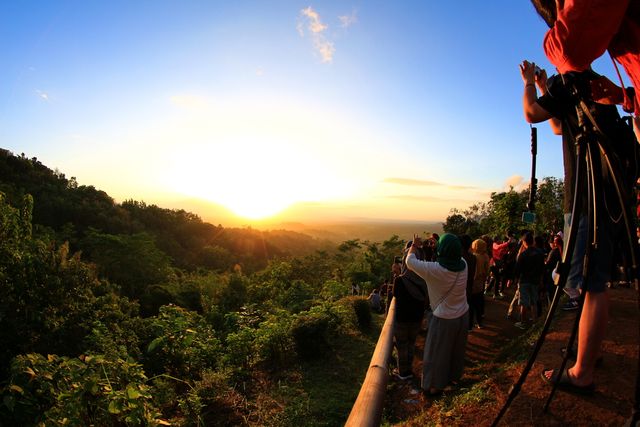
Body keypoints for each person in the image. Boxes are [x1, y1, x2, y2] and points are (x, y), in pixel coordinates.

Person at [523, 0, 640, 394]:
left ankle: (582, 371)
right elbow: (560, 127)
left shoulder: (568, 81)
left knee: (588, 282)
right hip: (606, 196)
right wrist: (545, 85)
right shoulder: (598, 88)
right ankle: (587, 352)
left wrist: (528, 84)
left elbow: (534, 116)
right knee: (590, 278)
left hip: (587, 196)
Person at [405, 233, 469, 396]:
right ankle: (453, 378)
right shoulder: (464, 264)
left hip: (444, 319)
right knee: (456, 350)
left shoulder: (435, 270)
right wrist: (439, 246)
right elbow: (449, 257)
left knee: (436, 355)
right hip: (462, 315)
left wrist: (414, 246)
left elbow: (410, 262)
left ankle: (433, 388)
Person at [392, 244, 428, 380]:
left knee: (402, 345)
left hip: (402, 319)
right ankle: (409, 369)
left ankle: (403, 372)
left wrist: (397, 274)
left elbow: (395, 295)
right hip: (417, 318)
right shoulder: (424, 279)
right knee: (411, 343)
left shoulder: (400, 280)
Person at [513, 232, 545, 330]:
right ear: (533, 241)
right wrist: (541, 280)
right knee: (533, 302)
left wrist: (516, 280)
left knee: (524, 303)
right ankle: (535, 322)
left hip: (525, 281)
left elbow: (517, 270)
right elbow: (542, 268)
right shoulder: (540, 253)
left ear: (524, 242)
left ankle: (523, 322)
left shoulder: (523, 254)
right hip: (535, 280)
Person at [471, 238, 490, 329]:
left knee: (471, 303)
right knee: (479, 302)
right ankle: (480, 322)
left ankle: (469, 325)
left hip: (473, 283)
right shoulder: (486, 256)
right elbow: (487, 270)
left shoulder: (474, 256)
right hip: (481, 281)